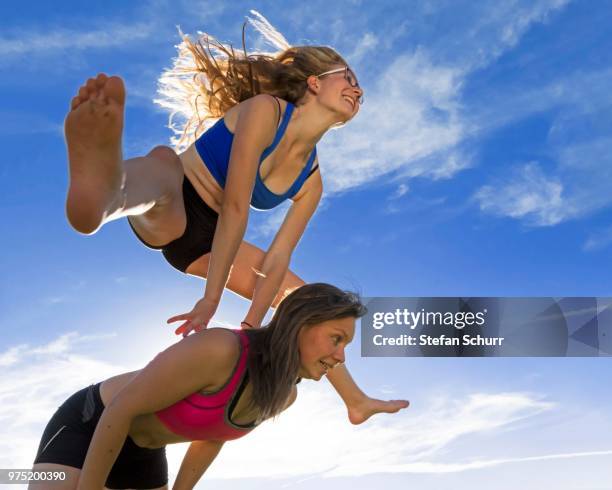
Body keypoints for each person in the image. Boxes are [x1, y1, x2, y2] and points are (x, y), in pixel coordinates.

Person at [63, 13, 408, 425]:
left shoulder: (311, 181)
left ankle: (354, 400)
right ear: (314, 82)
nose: (358, 89)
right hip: (179, 196)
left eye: (359, 88)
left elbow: (277, 260)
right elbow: (235, 207)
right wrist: (211, 300)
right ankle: (104, 195)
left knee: (310, 301)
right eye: (347, 78)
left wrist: (251, 323)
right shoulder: (265, 111)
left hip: (202, 246)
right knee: (163, 165)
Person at [30, 284, 404, 490]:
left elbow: (212, 436)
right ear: (301, 325)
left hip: (145, 449)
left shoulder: (283, 395)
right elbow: (121, 410)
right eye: (336, 339)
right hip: (91, 422)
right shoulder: (220, 349)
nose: (340, 357)